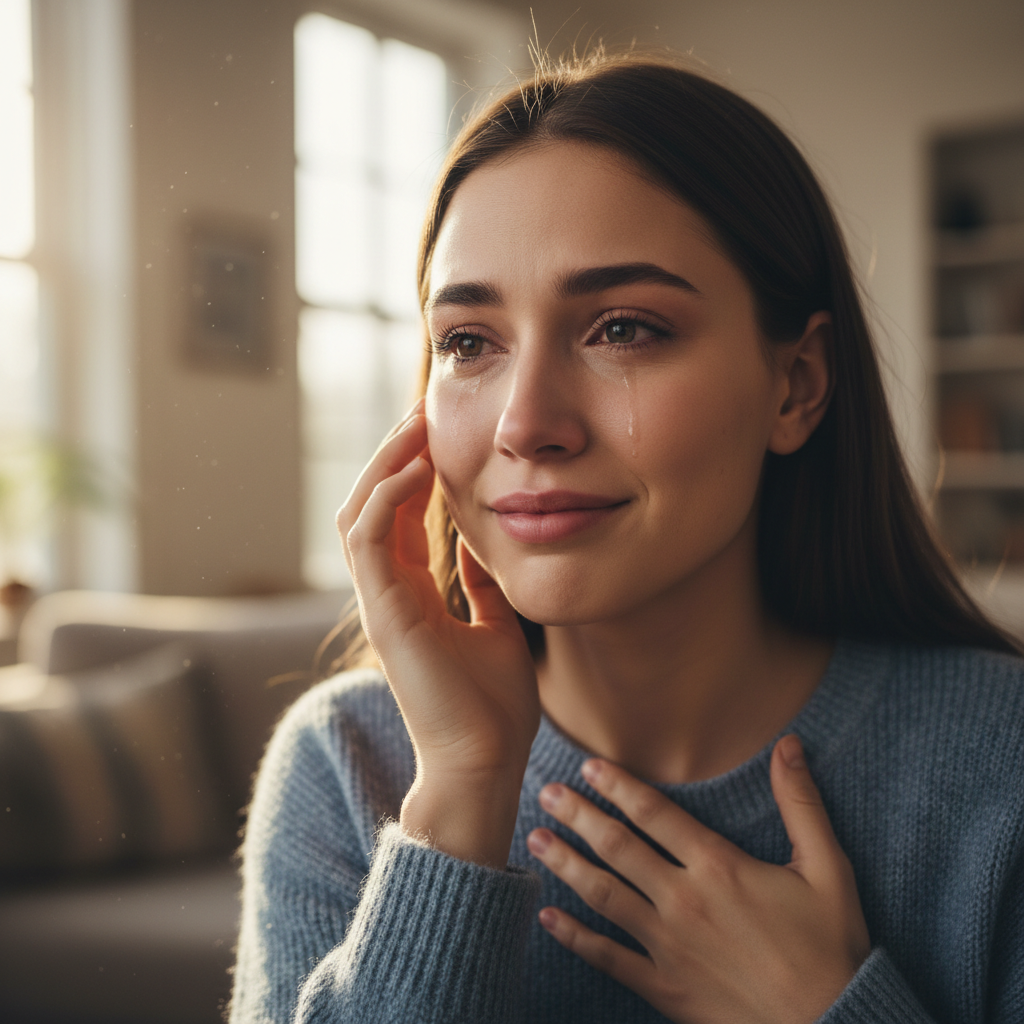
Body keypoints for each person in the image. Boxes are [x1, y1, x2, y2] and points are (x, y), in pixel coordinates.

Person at [229, 52, 1024, 1024]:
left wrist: (822, 1008)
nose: (525, 423)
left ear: (797, 384)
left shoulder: (1004, 758)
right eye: (468, 342)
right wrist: (461, 797)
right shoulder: (347, 761)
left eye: (623, 329)